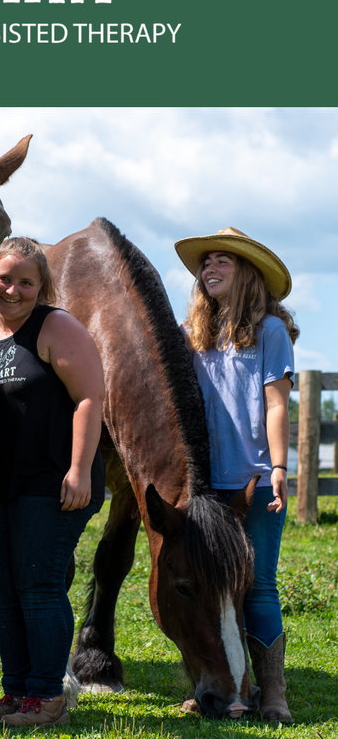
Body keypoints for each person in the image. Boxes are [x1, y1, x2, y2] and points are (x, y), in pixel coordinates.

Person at [0, 237, 105, 728]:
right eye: (4, 278)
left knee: (39, 586)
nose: (13, 289)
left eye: (26, 281)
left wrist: (80, 469)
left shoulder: (55, 326)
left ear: (41, 286)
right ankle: (18, 691)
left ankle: (46, 696)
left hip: (50, 480)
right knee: (0, 589)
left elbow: (90, 397)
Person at [175, 226, 298, 723]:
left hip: (256, 480)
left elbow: (275, 404)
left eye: (222, 260)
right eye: (206, 263)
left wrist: (280, 466)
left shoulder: (269, 331)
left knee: (259, 585)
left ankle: (273, 691)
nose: (210, 268)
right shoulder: (191, 336)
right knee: (208, 588)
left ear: (247, 272)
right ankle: (218, 684)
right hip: (206, 488)